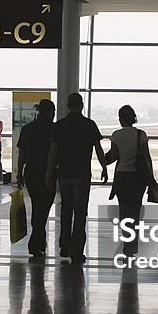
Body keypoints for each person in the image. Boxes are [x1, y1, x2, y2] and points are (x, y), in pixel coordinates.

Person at [46, 93, 107, 265]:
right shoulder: (89, 125)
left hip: (64, 174)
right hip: (82, 174)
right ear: (81, 105)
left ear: (67, 105)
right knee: (80, 213)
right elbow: (98, 149)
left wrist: (49, 173)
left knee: (66, 209)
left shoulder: (59, 126)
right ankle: (77, 250)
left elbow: (53, 152)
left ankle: (64, 244)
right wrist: (104, 167)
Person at [104, 105, 153, 256]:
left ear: (121, 118)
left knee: (124, 212)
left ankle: (127, 245)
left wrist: (101, 159)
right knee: (135, 212)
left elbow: (113, 157)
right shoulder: (141, 135)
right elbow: (147, 158)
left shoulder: (117, 135)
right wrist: (151, 178)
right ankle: (132, 248)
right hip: (138, 179)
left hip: (122, 178)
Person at [17, 99, 57, 260]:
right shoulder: (54, 129)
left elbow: (22, 155)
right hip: (47, 171)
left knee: (36, 205)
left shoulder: (27, 129)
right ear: (50, 111)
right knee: (44, 208)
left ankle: (39, 242)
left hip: (31, 171)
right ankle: (36, 242)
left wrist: (19, 174)